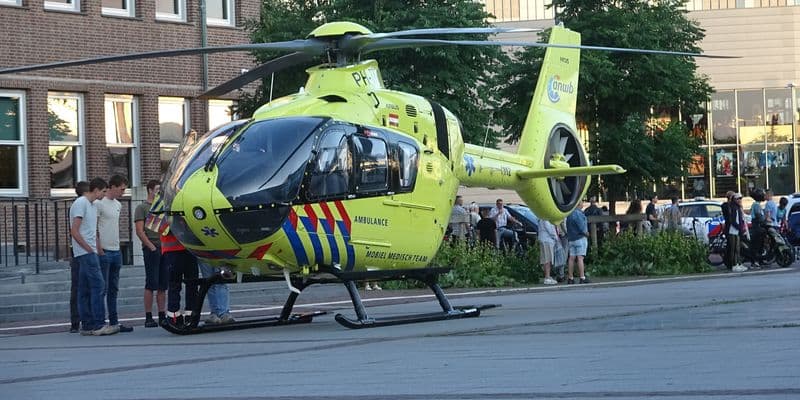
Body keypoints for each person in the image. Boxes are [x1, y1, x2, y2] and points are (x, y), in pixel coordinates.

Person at [71, 177, 115, 336]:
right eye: (103, 191)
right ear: (96, 190)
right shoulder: (81, 203)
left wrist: (97, 249)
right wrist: (89, 249)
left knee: (84, 288)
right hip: (86, 252)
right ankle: (98, 324)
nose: (104, 195)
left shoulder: (92, 205)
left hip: (89, 251)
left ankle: (87, 325)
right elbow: (74, 230)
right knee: (98, 285)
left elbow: (91, 230)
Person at [96, 174, 132, 334]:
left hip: (116, 250)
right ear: (113, 187)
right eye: (122, 189)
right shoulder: (99, 203)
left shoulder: (118, 204)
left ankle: (114, 321)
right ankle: (100, 321)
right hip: (104, 250)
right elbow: (95, 227)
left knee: (114, 288)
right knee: (102, 288)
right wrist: (99, 249)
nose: (123, 192)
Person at [134, 179, 166, 328]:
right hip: (152, 247)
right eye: (157, 189)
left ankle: (162, 315)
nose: (159, 192)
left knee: (163, 284)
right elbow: (139, 230)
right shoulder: (142, 208)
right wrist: (151, 247)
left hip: (164, 247)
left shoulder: (163, 206)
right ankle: (148, 316)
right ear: (150, 190)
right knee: (151, 282)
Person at [69, 181, 89, 333]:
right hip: (81, 251)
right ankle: (77, 320)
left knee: (79, 286)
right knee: (78, 286)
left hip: (82, 250)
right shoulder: (80, 204)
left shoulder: (86, 205)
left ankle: (80, 320)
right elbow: (75, 230)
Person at [565, 205, 590, 284]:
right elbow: (581, 227)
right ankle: (582, 277)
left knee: (571, 258)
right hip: (580, 238)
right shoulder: (578, 214)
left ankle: (570, 278)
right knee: (580, 258)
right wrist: (586, 233)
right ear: (578, 204)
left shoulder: (569, 214)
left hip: (571, 239)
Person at [728, 193, 748, 272]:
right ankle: (734, 264)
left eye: (740, 199)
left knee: (738, 248)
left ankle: (738, 263)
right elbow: (733, 221)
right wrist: (739, 228)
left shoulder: (738, 208)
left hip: (737, 231)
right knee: (734, 249)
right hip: (733, 231)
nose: (739, 200)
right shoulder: (734, 208)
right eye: (738, 199)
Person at [537, 219, 559, 285]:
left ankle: (547, 276)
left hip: (543, 239)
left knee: (545, 259)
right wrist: (556, 237)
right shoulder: (546, 219)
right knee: (548, 260)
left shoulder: (541, 218)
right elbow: (550, 230)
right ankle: (547, 277)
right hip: (547, 240)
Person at [749, 188, 766, 269]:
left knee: (761, 244)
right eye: (763, 195)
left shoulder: (757, 205)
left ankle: (760, 260)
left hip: (759, 227)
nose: (764, 196)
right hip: (757, 227)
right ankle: (755, 262)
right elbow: (759, 216)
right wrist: (765, 220)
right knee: (756, 245)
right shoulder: (756, 205)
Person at [720, 191, 735, 269]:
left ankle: (729, 261)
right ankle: (729, 261)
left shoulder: (727, 205)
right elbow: (729, 216)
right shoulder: (727, 206)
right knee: (730, 245)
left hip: (729, 226)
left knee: (730, 245)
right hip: (729, 227)